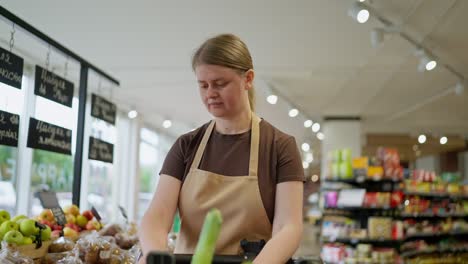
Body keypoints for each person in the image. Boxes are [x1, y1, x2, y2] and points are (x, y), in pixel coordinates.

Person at [139, 33, 304, 264]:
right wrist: (152, 254)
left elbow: (289, 227)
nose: (210, 94)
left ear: (248, 79)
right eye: (203, 85)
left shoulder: (280, 147)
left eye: (219, 84)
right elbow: (157, 216)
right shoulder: (186, 146)